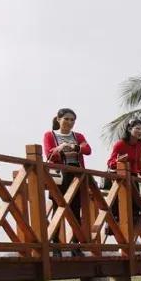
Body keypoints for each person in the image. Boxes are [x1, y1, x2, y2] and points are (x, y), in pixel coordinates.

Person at [43, 108, 92, 253]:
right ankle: (55, 242)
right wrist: (62, 148)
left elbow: (87, 149)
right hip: (59, 174)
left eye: (72, 120)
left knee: (76, 209)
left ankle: (76, 244)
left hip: (76, 173)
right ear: (58, 119)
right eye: (66, 119)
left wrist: (74, 148)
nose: (69, 122)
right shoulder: (49, 135)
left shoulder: (78, 135)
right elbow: (50, 154)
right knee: (58, 207)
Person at [105, 119, 141, 233]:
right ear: (129, 129)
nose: (140, 131)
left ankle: (131, 235)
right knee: (119, 207)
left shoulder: (140, 145)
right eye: (137, 128)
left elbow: (138, 163)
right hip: (119, 177)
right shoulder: (120, 144)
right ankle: (117, 233)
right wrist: (119, 160)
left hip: (133, 177)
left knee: (137, 208)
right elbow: (110, 162)